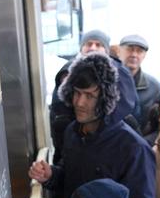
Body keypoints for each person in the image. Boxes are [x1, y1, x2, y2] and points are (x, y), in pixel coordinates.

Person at [30, 53, 156, 198]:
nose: (79, 103)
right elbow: (71, 180)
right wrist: (51, 175)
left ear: (109, 100)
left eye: (90, 96)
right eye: (76, 92)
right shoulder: (72, 132)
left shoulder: (133, 148)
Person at [49, 29, 139, 163]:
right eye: (88, 43)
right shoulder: (67, 71)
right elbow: (58, 110)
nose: (93, 48)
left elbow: (133, 109)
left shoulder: (120, 74)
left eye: (98, 44)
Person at [118, 34, 160, 133]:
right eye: (130, 49)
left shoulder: (154, 87)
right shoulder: (108, 82)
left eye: (139, 51)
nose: (134, 54)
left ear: (144, 55)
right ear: (119, 51)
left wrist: (146, 143)